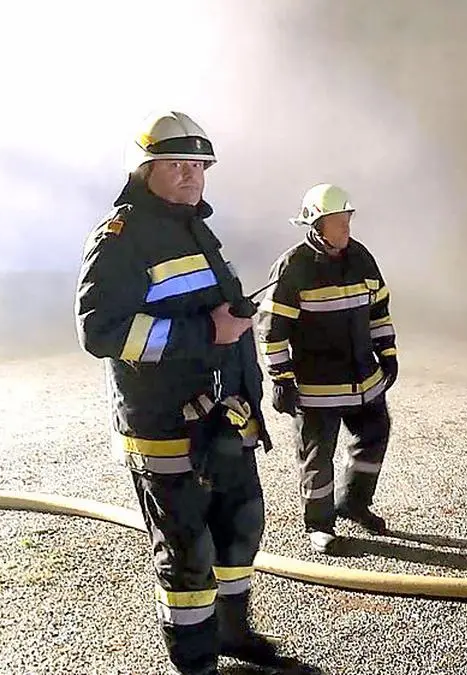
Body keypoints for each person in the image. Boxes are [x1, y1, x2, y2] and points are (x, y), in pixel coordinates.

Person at [75, 111, 308, 673]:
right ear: (143, 171)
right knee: (188, 553)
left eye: (199, 165)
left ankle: (232, 632)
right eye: (176, 165)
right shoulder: (122, 238)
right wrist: (207, 330)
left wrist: (230, 324)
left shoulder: (195, 228)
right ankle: (197, 662)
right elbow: (100, 330)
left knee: (240, 527)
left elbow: (209, 310)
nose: (191, 176)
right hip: (165, 429)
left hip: (223, 419)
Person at [255, 183, 398, 555]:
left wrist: (389, 353)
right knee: (318, 456)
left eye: (347, 219)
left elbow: (378, 311)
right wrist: (281, 379)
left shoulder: (361, 258)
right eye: (337, 222)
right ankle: (319, 525)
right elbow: (271, 331)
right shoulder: (293, 267)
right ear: (315, 226)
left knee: (374, 435)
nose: (345, 229)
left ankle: (354, 502)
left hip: (365, 381)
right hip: (317, 388)